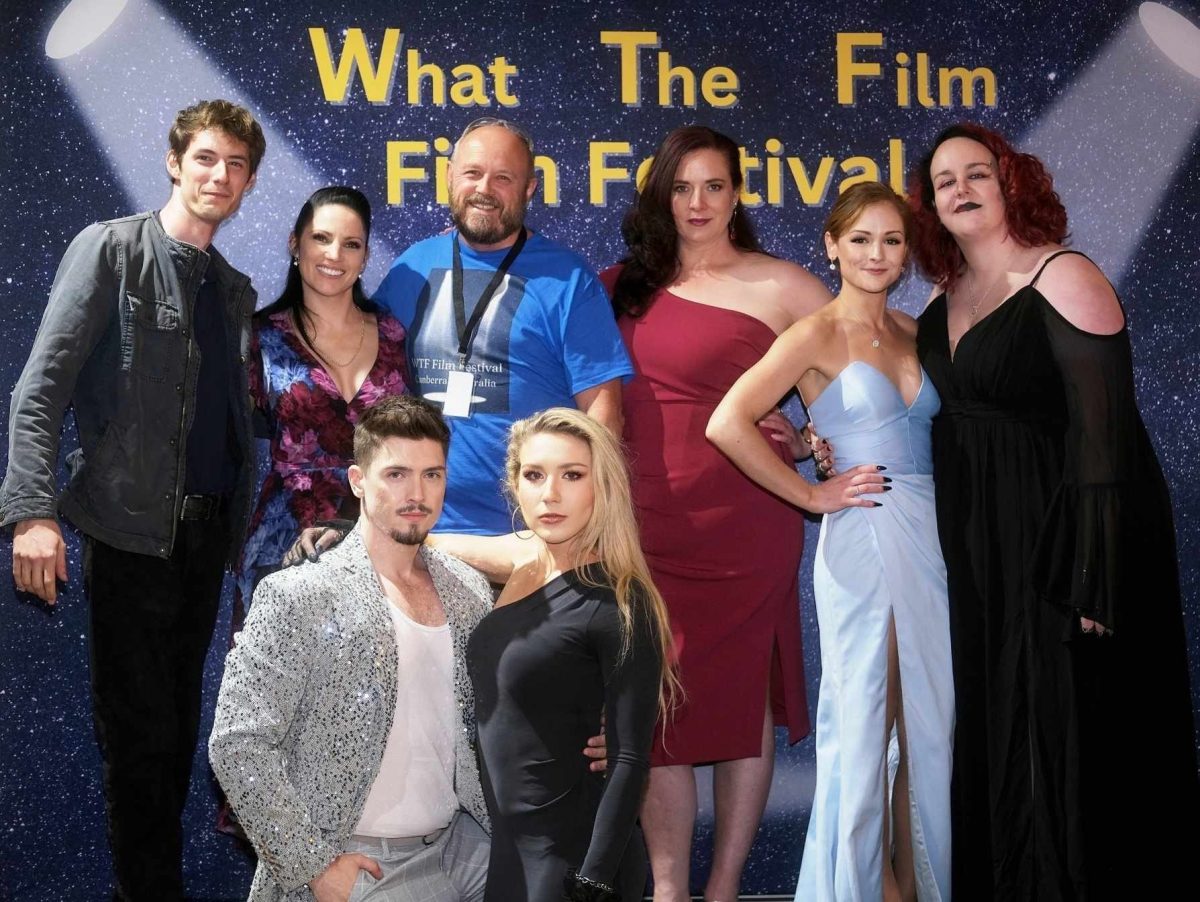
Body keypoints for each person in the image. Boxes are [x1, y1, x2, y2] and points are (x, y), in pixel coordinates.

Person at [907, 122, 1199, 898]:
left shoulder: (1062, 275)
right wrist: (811, 439)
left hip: (1056, 542)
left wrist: (1095, 578)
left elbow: (1105, 442)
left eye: (978, 173)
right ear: (930, 205)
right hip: (975, 549)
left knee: (1062, 728)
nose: (961, 189)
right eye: (945, 181)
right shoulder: (940, 300)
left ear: (1012, 184)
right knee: (996, 720)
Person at [0, 99, 265, 900]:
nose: (221, 176)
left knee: (178, 741)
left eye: (238, 166)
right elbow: (40, 389)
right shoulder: (111, 250)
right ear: (175, 161)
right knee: (139, 743)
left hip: (203, 550)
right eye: (208, 158)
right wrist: (32, 513)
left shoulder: (233, 288)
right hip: (129, 540)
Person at [601, 125, 830, 901]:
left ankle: (725, 887)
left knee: (741, 700)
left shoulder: (784, 287)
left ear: (737, 194)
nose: (697, 203)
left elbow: (860, 388)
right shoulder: (620, 285)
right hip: (644, 527)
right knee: (656, 702)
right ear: (661, 196)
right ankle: (670, 888)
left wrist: (803, 443)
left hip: (748, 528)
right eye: (682, 187)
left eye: (715, 186)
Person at [708, 182, 952, 901]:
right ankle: (865, 885)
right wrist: (814, 494)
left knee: (928, 721)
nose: (877, 254)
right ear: (831, 246)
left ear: (907, 252)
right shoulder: (813, 333)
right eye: (861, 240)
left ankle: (919, 881)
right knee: (867, 715)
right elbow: (728, 422)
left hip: (930, 538)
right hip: (863, 537)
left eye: (892, 241)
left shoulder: (916, 330)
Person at [211, 395, 492, 902]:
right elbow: (237, 742)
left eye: (432, 475)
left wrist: (589, 731)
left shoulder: (469, 591)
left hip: (467, 845)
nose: (417, 493)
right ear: (358, 481)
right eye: (397, 474)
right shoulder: (298, 595)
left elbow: (499, 715)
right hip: (361, 862)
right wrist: (314, 866)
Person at [431, 407, 677, 902]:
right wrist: (353, 529)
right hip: (509, 850)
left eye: (573, 475)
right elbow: (430, 542)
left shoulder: (622, 601)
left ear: (601, 486)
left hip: (572, 861)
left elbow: (629, 758)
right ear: (514, 484)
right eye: (535, 475)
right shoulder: (523, 558)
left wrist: (594, 880)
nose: (551, 494)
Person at [374, 118, 632, 537]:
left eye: (503, 178)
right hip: (422, 531)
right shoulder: (411, 267)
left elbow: (603, 413)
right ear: (449, 177)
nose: (484, 190)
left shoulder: (568, 280)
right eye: (472, 173)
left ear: (529, 187)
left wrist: (589, 523)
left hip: (531, 536)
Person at [235, 186, 409, 629]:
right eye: (321, 238)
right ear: (296, 244)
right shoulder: (260, 337)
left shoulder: (393, 333)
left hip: (377, 541)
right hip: (283, 546)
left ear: (366, 256)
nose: (335, 254)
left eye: (351, 244)